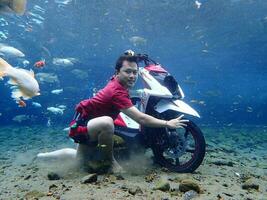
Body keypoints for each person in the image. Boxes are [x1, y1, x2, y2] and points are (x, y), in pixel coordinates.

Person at [68, 50, 189, 173]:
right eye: (128, 72)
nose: (132, 76)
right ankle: (109, 164)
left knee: (79, 161)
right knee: (107, 123)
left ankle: (46, 157)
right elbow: (141, 119)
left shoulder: (117, 80)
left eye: (135, 72)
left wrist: (131, 55)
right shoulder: (117, 92)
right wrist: (167, 123)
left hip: (85, 121)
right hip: (82, 125)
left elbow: (124, 64)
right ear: (117, 73)